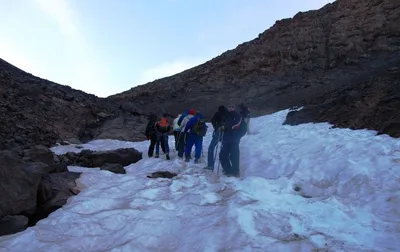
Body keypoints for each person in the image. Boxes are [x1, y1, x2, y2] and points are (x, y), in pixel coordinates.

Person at [219, 105, 245, 177]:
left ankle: (236, 171)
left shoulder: (237, 115)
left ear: (234, 108)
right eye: (229, 107)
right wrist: (220, 128)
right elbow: (223, 125)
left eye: (232, 107)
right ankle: (228, 171)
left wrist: (225, 127)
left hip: (234, 139)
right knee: (222, 155)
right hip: (226, 139)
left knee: (234, 156)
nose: (230, 108)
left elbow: (236, 125)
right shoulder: (225, 116)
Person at [204, 105, 228, 171]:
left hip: (218, 132)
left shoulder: (218, 113)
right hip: (226, 133)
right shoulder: (228, 114)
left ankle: (210, 165)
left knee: (211, 148)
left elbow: (212, 120)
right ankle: (226, 167)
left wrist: (216, 127)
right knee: (225, 149)